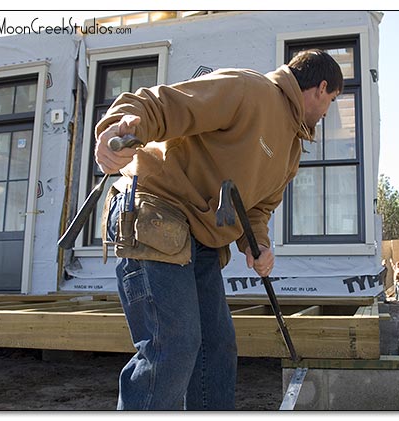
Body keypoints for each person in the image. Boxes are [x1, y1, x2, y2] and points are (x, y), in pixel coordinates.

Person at [94, 49, 344, 410]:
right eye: (332, 100)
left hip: (202, 239)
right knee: (174, 345)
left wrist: (257, 243)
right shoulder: (249, 90)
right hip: (158, 211)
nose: (327, 111)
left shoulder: (291, 151)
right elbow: (166, 104)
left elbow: (256, 209)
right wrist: (119, 126)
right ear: (321, 88)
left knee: (217, 346)